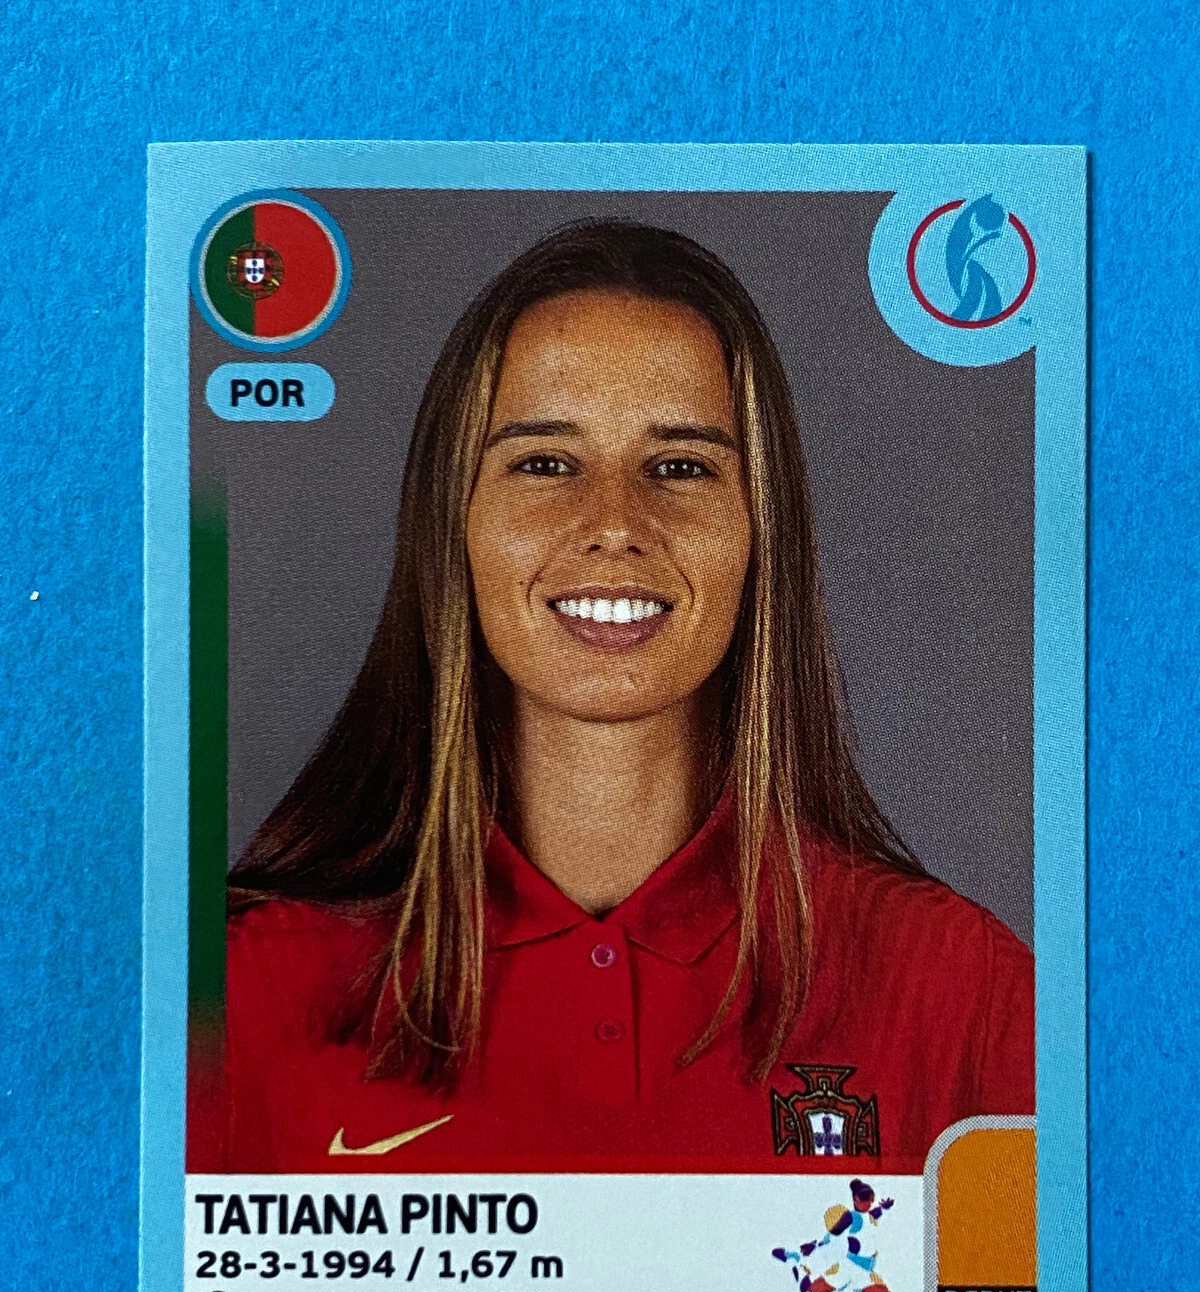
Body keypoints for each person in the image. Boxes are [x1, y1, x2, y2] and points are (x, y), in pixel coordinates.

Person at [187, 218, 1034, 1176]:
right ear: (451, 523)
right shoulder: (239, 997)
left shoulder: (965, 990)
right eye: (545, 463)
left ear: (761, 531)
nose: (615, 524)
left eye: (681, 467)